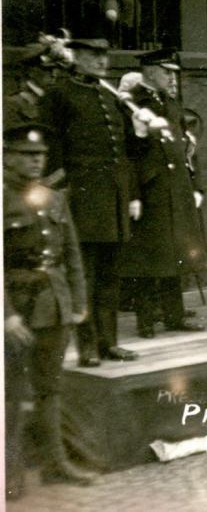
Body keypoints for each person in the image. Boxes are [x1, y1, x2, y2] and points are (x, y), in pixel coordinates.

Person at [5, 123, 100, 501]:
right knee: (10, 395)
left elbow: (71, 254)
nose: (35, 161)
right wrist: (6, 315)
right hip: (16, 309)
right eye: (27, 155)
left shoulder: (53, 199)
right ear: (7, 155)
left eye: (40, 155)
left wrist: (77, 302)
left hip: (54, 305)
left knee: (51, 388)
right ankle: (8, 475)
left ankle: (56, 465)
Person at [39, 38, 138, 367]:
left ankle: (109, 342)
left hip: (113, 198)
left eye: (103, 55)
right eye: (93, 56)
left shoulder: (110, 95)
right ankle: (88, 347)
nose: (101, 61)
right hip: (82, 198)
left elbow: (124, 149)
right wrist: (59, 191)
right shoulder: (60, 94)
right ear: (76, 57)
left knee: (111, 274)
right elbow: (50, 146)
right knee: (86, 276)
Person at [120, 49, 207, 338]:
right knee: (148, 256)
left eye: (172, 72)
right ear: (149, 71)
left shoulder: (170, 102)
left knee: (176, 253)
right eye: (165, 71)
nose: (172, 77)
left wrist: (194, 187)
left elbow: (185, 151)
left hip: (176, 187)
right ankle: (145, 320)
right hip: (150, 189)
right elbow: (128, 155)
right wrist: (132, 195)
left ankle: (174, 315)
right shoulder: (131, 103)